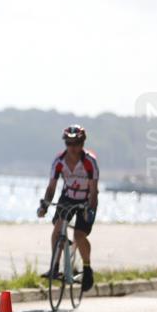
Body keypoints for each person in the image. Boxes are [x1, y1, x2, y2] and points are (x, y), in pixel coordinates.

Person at [37, 124, 99, 291]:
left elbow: (94, 191)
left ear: (82, 143)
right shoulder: (59, 161)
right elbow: (51, 188)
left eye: (77, 143)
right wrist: (45, 206)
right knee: (57, 230)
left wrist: (90, 210)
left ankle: (87, 269)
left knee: (79, 235)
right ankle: (55, 267)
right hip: (67, 198)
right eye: (69, 144)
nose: (73, 148)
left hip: (86, 200)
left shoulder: (89, 162)